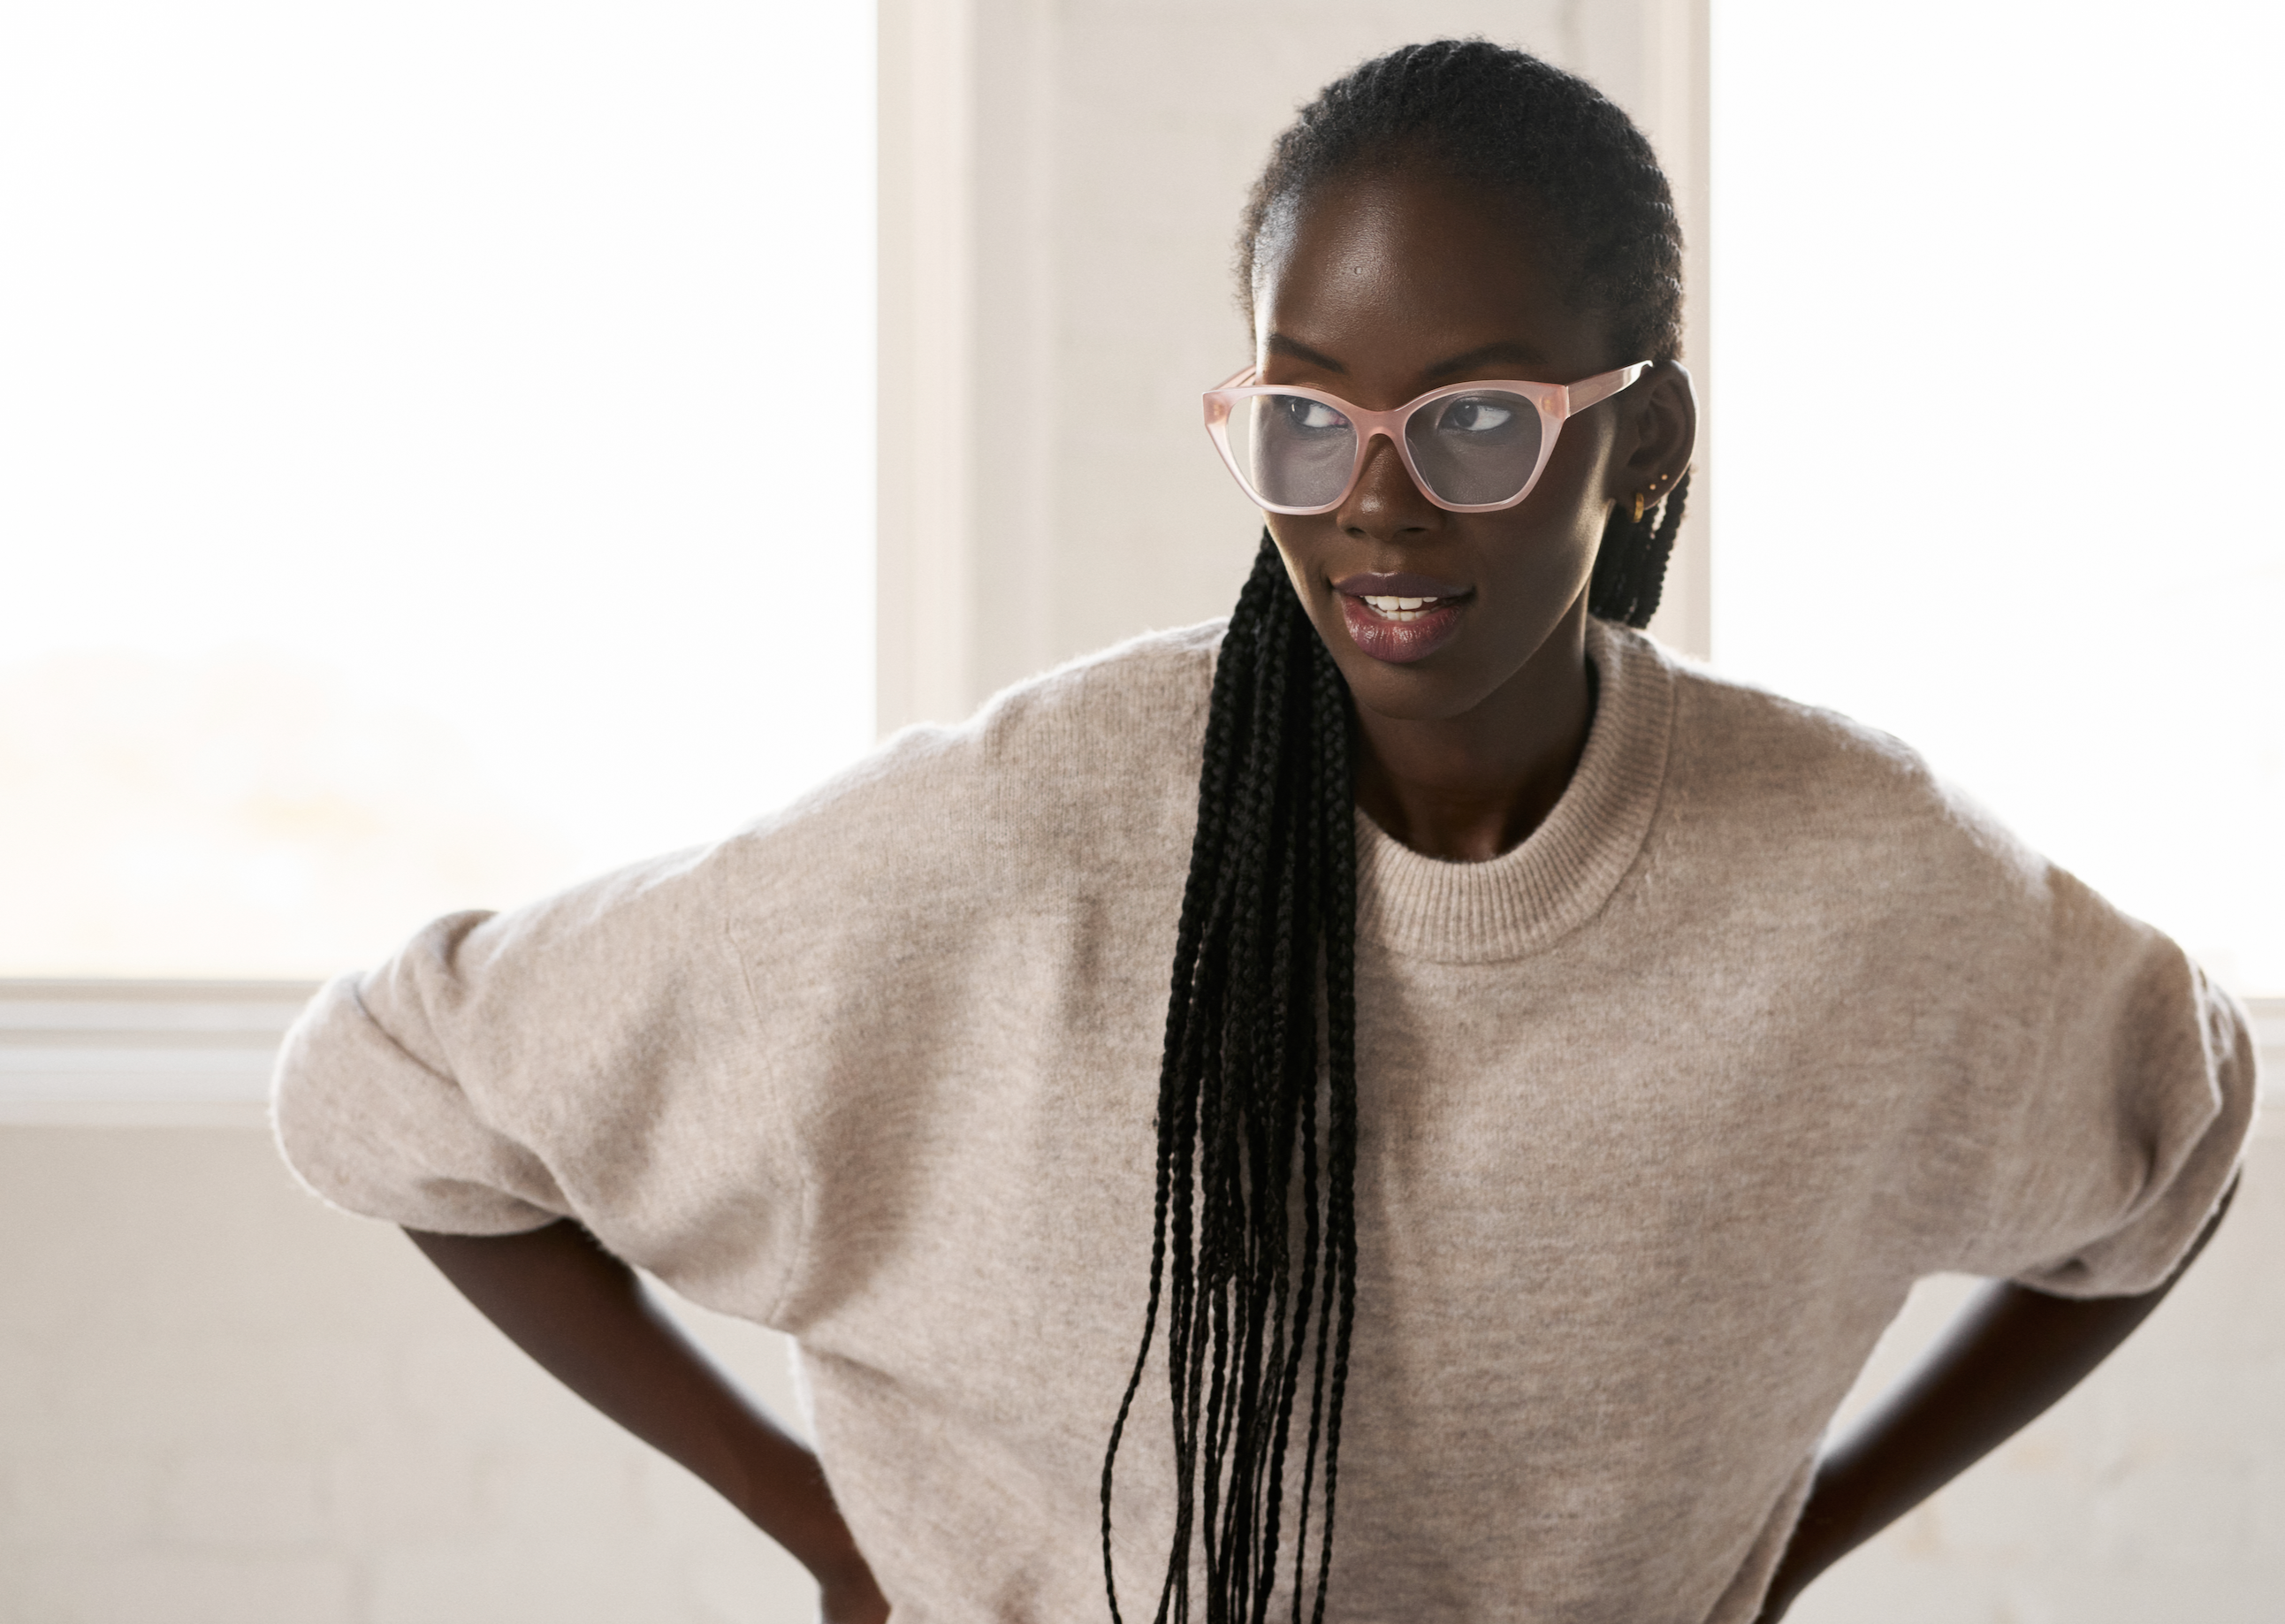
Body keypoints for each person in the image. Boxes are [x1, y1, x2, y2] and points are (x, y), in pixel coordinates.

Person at [271, 40, 2257, 1624]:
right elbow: (390, 1084)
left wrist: (1794, 1542)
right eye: (1304, 419)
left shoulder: (1859, 885)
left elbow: (2173, 1143)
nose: (1371, 507)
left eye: (1474, 421)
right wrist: (829, 1532)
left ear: (1638, 442)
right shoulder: (1010, 836)